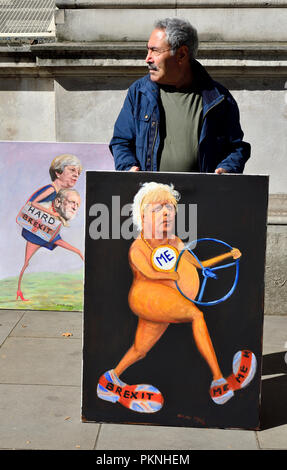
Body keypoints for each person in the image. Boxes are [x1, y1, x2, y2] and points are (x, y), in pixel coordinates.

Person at [97, 182, 256, 413]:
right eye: (157, 208)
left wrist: (227, 256)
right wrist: (174, 273)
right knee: (195, 314)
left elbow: (197, 265)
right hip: (147, 297)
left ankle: (108, 382)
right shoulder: (138, 247)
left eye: (169, 208)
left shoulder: (174, 241)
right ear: (143, 215)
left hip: (166, 299)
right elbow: (150, 272)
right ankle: (218, 380)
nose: (165, 213)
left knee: (140, 349)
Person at [110, 17, 250, 174]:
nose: (147, 59)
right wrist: (128, 167)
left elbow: (236, 148)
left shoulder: (218, 98)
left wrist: (227, 170)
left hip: (201, 195)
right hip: (150, 195)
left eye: (155, 51)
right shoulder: (139, 92)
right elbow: (120, 142)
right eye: (148, 50)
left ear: (182, 54)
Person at [16, 154, 83, 301]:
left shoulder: (60, 193)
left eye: (78, 173)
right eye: (72, 170)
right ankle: (19, 291)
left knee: (28, 261)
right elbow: (32, 203)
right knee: (27, 261)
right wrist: (53, 213)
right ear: (58, 172)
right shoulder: (52, 189)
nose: (75, 175)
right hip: (38, 230)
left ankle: (19, 291)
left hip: (47, 229)